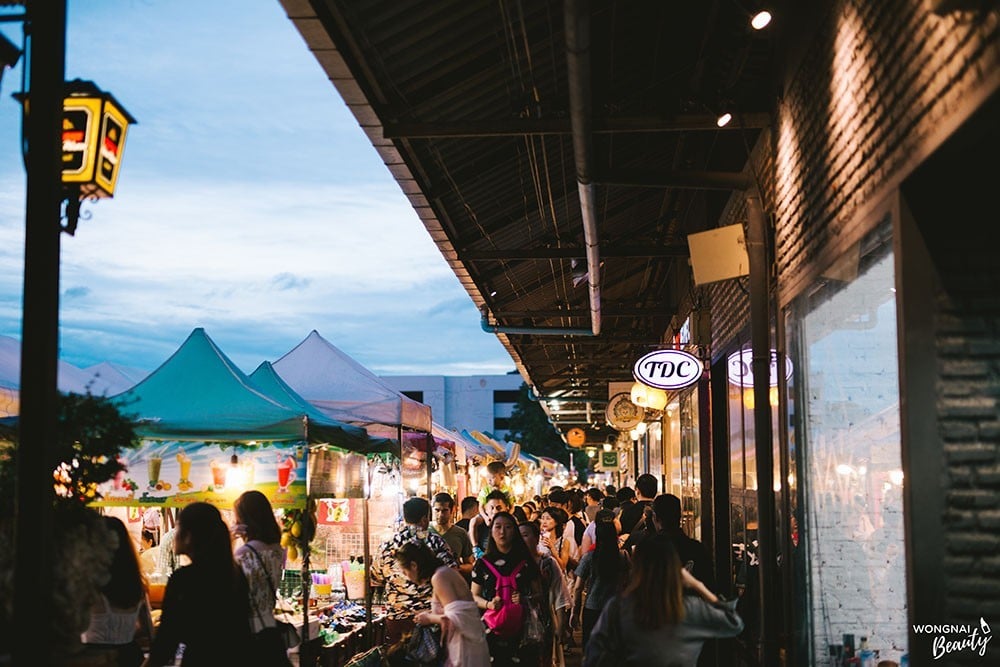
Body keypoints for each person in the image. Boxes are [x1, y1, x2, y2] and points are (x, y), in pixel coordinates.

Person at [582, 533, 743, 667]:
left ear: (637, 566)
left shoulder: (619, 608)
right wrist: (697, 585)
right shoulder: (691, 609)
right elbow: (733, 623)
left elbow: (593, 657)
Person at [144, 502, 253, 666]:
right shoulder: (235, 574)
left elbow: (166, 642)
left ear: (188, 536)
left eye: (178, 528)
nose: (174, 535)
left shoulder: (183, 579)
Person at [371, 496, 458, 647]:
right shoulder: (436, 543)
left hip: (397, 620)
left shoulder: (387, 545)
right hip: (430, 619)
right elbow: (452, 574)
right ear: (425, 519)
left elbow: (375, 577)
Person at [395, 541, 491, 667]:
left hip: (465, 650)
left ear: (413, 565)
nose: (406, 576)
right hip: (465, 647)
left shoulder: (440, 577)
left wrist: (429, 618)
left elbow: (454, 619)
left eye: (404, 572)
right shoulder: (442, 574)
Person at [470, 512, 546, 667]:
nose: (502, 532)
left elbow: (540, 594)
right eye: (497, 527)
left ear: (515, 531)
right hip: (491, 630)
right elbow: (474, 596)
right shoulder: (482, 564)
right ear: (491, 531)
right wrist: (488, 604)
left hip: (523, 631)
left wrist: (525, 599)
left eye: (508, 527)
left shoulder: (525, 562)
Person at [81, 516, 152, 667]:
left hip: (95, 658)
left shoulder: (91, 585)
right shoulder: (136, 584)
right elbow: (145, 627)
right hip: (130, 655)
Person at [232, 490, 291, 667]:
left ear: (244, 520)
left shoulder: (244, 554)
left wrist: (228, 540)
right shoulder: (277, 550)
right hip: (270, 631)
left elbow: (227, 588)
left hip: (246, 634)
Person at [627, 493, 715, 589]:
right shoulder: (697, 548)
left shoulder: (646, 549)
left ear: (655, 517)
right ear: (679, 517)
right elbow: (708, 584)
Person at [572, 511, 629, 647]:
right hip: (616, 607)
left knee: (592, 646)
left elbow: (578, 587)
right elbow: (629, 582)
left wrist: (575, 611)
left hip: (592, 607)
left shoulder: (589, 557)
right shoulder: (623, 556)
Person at [519, 520, 570, 667]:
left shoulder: (548, 563)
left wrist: (561, 625)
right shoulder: (514, 563)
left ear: (536, 538)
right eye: (519, 536)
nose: (522, 539)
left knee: (544, 658)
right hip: (519, 620)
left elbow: (560, 593)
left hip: (544, 619)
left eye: (526, 535)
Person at [431, 492, 475, 579]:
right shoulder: (425, 532)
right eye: (437, 510)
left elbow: (469, 565)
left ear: (452, 510)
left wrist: (457, 568)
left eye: (444, 510)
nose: (440, 515)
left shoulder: (460, 533)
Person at [467, 489, 510, 559]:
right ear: (486, 509)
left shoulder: (511, 525)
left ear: (506, 508)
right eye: (492, 508)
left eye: (499, 508)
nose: (495, 511)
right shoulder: (479, 525)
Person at [537, 506, 574, 573]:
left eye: (548, 518)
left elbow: (562, 567)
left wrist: (552, 548)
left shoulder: (564, 541)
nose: (544, 522)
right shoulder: (536, 539)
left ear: (556, 522)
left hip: (557, 577)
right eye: (542, 518)